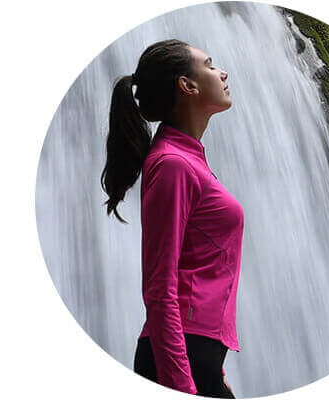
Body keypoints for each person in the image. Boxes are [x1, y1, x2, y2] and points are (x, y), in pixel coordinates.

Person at [100, 39, 241, 398]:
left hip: (199, 357)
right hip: (178, 362)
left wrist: (214, 366)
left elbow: (199, 267)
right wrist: (181, 382)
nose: (222, 72)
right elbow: (160, 288)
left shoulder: (186, 159)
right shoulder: (174, 165)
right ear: (187, 85)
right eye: (210, 65)